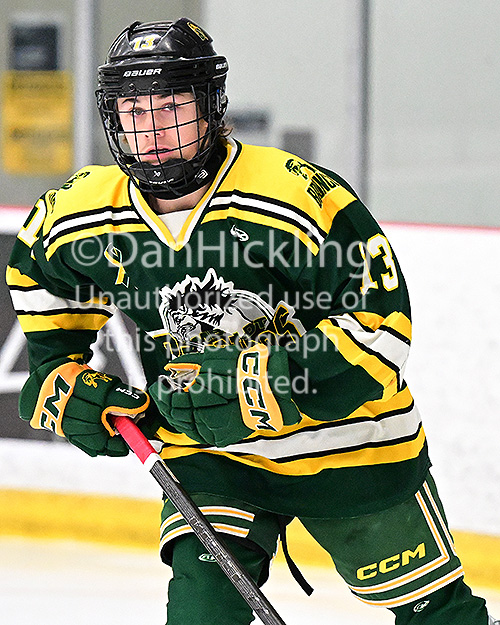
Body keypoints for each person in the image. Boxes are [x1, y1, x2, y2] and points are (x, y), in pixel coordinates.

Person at [6, 17, 498, 625]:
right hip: (211, 455)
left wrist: (263, 384)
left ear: (211, 108)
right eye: (134, 110)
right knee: (202, 615)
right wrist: (62, 380)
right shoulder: (80, 212)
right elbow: (39, 278)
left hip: (349, 448)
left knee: (437, 615)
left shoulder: (292, 195)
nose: (152, 130)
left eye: (172, 107)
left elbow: (381, 326)